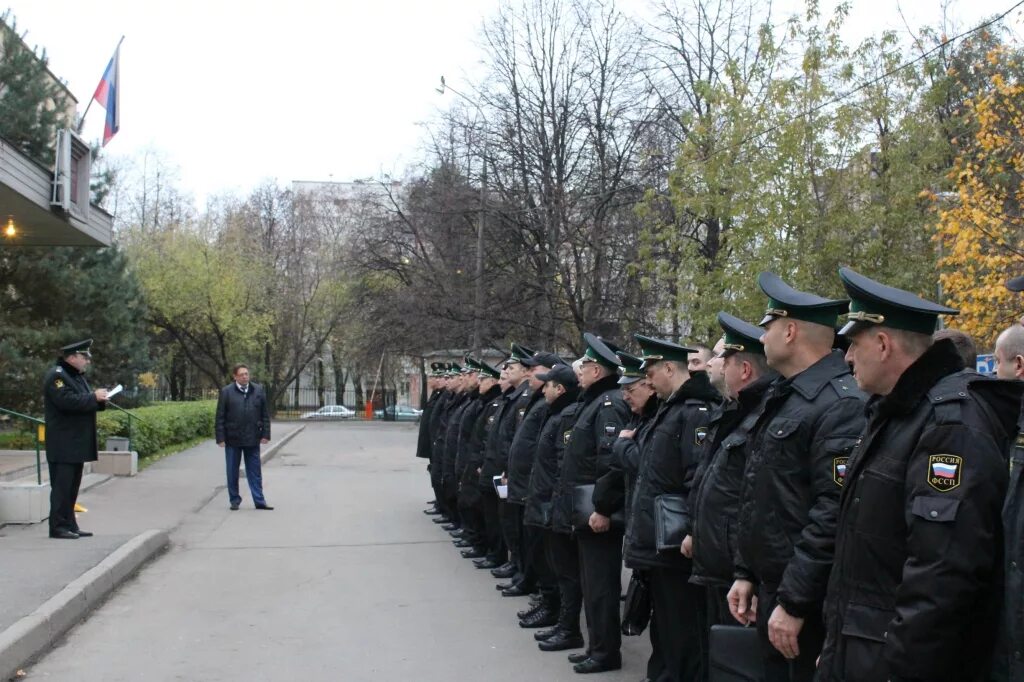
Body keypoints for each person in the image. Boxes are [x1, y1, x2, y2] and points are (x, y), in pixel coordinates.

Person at [816, 268, 1022, 682]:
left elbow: (941, 577)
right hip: (862, 651)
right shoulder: (896, 413)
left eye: (853, 344)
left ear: (883, 343)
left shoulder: (950, 424)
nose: (848, 357)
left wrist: (895, 670)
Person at [729, 272, 866, 682]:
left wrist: (794, 603)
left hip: (808, 601)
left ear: (789, 331)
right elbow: (762, 495)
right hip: (777, 586)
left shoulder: (841, 404)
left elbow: (831, 514)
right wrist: (747, 572)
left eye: (766, 325)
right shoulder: (786, 396)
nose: (762, 335)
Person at [618, 334, 721, 682]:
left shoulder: (694, 413)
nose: (646, 379)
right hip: (658, 541)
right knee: (665, 627)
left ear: (668, 368)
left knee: (682, 632)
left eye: (650, 371)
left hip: (675, 544)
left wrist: (692, 529)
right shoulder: (670, 410)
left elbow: (697, 477)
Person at [690, 313, 777, 680]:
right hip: (722, 561)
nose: (715, 367)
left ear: (743, 369)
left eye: (723, 361)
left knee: (740, 662)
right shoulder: (735, 412)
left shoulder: (760, 413)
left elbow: (754, 499)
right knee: (723, 656)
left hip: (736, 565)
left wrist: (747, 571)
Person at [553, 332, 631, 674]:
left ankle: (605, 652)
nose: (579, 371)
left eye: (584, 365)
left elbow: (610, 463)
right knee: (591, 583)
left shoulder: (610, 403)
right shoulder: (594, 402)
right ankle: (595, 646)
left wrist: (603, 509)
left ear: (598, 371)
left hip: (598, 512)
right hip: (586, 509)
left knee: (601, 588)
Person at [526, 363, 583, 651]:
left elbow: (563, 467)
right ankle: (561, 622)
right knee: (556, 568)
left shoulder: (567, 416)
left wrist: (552, 504)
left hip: (556, 505)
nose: (543, 388)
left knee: (566, 573)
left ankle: (569, 627)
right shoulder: (557, 413)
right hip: (547, 502)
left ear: (559, 389)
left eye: (547, 384)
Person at [43, 339, 108, 539]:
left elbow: (82, 401)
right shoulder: (57, 376)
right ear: (72, 358)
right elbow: (67, 402)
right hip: (63, 443)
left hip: (75, 443)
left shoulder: (76, 377)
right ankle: (58, 527)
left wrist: (99, 400)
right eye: (83, 357)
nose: (87, 361)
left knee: (72, 488)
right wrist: (92, 397)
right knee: (62, 488)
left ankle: (70, 524)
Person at [215, 363, 273, 511]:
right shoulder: (227, 392)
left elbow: (265, 414)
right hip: (232, 438)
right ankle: (234, 500)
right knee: (232, 471)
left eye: (246, 374)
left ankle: (259, 501)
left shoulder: (258, 390)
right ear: (235, 376)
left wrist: (266, 434)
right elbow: (220, 417)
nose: (245, 376)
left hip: (253, 438)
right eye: (241, 374)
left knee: (255, 471)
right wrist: (220, 437)